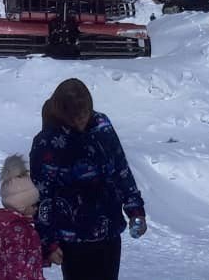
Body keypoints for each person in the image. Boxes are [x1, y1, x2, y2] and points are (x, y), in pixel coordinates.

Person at [30, 79, 145, 280]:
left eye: (85, 113)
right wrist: (48, 241)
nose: (82, 120)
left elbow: (120, 168)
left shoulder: (101, 126)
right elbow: (42, 197)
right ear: (63, 113)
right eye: (76, 116)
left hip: (108, 230)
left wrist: (135, 208)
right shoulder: (48, 141)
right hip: (73, 238)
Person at [0, 153, 52, 280]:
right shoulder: (17, 232)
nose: (36, 208)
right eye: (33, 204)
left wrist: (46, 256)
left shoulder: (20, 227)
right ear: (22, 206)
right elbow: (18, 269)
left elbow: (28, 258)